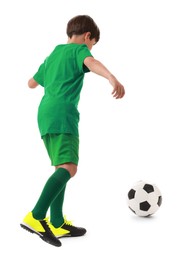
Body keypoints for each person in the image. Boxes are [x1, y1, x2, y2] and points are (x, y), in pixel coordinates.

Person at [20, 15, 125, 247]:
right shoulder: (79, 51)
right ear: (88, 37)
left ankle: (56, 222)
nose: (90, 50)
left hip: (45, 115)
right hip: (63, 115)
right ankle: (36, 216)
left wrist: (48, 76)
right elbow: (91, 62)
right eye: (92, 45)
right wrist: (111, 77)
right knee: (69, 168)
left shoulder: (53, 55)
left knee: (61, 166)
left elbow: (31, 83)